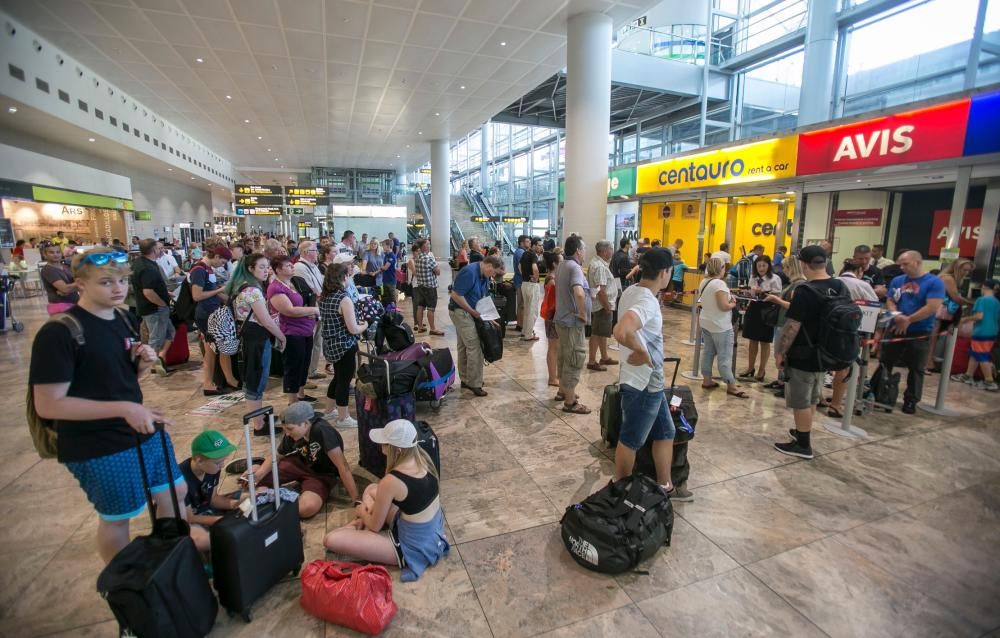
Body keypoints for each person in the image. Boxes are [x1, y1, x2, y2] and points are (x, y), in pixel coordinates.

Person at [29, 247, 186, 563]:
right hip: (95, 441)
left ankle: (175, 567)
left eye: (121, 281)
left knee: (174, 492)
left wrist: (141, 365)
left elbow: (118, 383)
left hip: (139, 428)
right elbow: (49, 405)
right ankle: (125, 585)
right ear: (80, 284)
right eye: (105, 282)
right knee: (119, 515)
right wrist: (125, 409)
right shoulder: (61, 331)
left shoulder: (123, 318)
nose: (117, 289)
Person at [324, 419, 448, 582]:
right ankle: (362, 523)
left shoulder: (392, 480)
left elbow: (375, 527)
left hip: (413, 546)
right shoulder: (423, 458)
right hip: (428, 528)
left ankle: (359, 523)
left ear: (395, 450)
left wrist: (362, 511)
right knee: (371, 489)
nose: (381, 447)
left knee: (331, 539)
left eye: (384, 443)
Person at [612, 248, 687, 499]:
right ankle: (619, 491)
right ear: (665, 273)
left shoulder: (632, 291)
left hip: (646, 381)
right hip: (642, 383)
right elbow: (622, 330)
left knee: (666, 433)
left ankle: (665, 485)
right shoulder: (647, 301)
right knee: (631, 439)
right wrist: (642, 352)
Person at [772, 245, 849, 459]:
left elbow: (792, 326)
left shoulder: (806, 290)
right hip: (826, 352)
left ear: (804, 264)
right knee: (813, 397)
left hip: (803, 353)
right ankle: (802, 432)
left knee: (800, 400)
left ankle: (803, 445)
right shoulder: (839, 286)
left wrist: (780, 352)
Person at [250, 402, 359, 519]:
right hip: (299, 463)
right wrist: (259, 475)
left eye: (290, 429)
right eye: (285, 429)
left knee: (307, 507)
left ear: (306, 423)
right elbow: (276, 456)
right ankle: (257, 467)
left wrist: (356, 500)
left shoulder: (323, 431)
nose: (286, 433)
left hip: (321, 474)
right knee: (255, 478)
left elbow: (343, 467)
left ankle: (274, 508)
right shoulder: (293, 434)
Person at [226, 253, 287, 434]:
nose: (266, 270)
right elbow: (265, 320)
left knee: (254, 378)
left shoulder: (241, 286)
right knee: (256, 380)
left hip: (250, 337)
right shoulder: (252, 291)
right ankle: (258, 425)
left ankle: (258, 416)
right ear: (250, 268)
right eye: (261, 267)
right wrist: (281, 337)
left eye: (267, 267)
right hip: (256, 339)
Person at [880, 251, 945, 413]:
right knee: (885, 361)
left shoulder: (934, 282)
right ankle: (880, 390)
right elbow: (890, 299)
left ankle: (911, 400)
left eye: (905, 264)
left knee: (916, 367)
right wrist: (897, 315)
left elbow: (932, 307)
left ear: (917, 262)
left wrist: (909, 320)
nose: (902, 267)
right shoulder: (898, 280)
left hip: (919, 330)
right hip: (895, 327)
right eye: (900, 264)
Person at [826, 259, 878, 418]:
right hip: (849, 332)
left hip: (826, 329)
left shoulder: (832, 282)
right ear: (860, 271)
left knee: (823, 366)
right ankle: (835, 405)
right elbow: (875, 307)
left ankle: (818, 398)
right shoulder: (863, 285)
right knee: (844, 368)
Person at [320, 262, 369, 427]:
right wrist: (365, 325)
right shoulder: (343, 298)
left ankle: (328, 411)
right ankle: (343, 417)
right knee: (344, 381)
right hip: (344, 345)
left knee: (337, 377)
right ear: (344, 277)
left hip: (331, 343)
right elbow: (353, 328)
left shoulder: (325, 296)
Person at [267, 255, 321, 405]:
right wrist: (314, 310)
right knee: (294, 365)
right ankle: (293, 400)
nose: (292, 267)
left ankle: (301, 394)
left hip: (306, 330)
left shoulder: (294, 282)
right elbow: (288, 310)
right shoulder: (276, 288)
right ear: (278, 269)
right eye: (288, 266)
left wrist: (310, 311)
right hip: (292, 332)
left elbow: (308, 298)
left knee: (304, 363)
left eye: (291, 265)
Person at [449, 255, 503, 397]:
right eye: (494, 272)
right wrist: (473, 312)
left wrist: (488, 316)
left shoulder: (483, 275)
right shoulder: (470, 272)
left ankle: (466, 379)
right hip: (461, 312)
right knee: (474, 346)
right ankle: (475, 383)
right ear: (489, 266)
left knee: (463, 346)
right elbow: (456, 295)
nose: (493, 275)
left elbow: (482, 297)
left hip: (471, 312)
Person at [190, 245, 239, 396]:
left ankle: (213, 382)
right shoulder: (199, 269)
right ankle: (220, 381)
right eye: (223, 261)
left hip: (213, 313)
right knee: (217, 348)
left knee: (212, 350)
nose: (223, 265)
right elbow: (197, 295)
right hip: (206, 315)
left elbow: (213, 293)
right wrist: (219, 290)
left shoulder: (207, 269)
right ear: (216, 256)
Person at [181, 430, 239, 552]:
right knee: (215, 540)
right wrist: (217, 520)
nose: (222, 466)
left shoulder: (212, 469)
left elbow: (213, 498)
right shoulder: (180, 480)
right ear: (199, 460)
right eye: (218, 463)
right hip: (186, 521)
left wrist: (233, 504)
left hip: (205, 509)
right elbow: (188, 518)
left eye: (223, 461)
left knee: (244, 499)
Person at [697, 257, 747, 399]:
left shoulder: (704, 281)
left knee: (708, 352)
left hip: (706, 321)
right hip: (720, 325)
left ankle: (707, 380)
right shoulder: (719, 283)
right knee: (725, 356)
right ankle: (731, 385)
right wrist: (733, 303)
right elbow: (724, 306)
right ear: (721, 268)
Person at [554, 236, 592, 414]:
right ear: (578, 251)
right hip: (571, 322)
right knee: (574, 358)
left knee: (563, 355)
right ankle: (570, 402)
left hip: (561, 319)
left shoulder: (562, 264)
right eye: (583, 249)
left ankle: (563, 390)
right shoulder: (575, 267)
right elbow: (578, 292)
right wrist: (583, 313)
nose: (584, 253)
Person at [763, 256, 807, 397]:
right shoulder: (792, 284)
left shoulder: (799, 285)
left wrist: (776, 299)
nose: (784, 271)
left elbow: (795, 307)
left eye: (786, 267)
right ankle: (781, 380)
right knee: (779, 353)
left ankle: (786, 384)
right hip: (782, 322)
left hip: (787, 323)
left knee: (783, 354)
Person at [132, 239, 174, 376]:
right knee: (156, 338)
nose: (162, 250)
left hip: (153, 307)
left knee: (170, 332)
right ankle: (152, 364)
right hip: (154, 309)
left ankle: (159, 358)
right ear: (153, 250)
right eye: (159, 248)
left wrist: (165, 294)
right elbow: (148, 292)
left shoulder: (141, 263)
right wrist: (161, 303)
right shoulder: (147, 268)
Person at [738, 255, 782, 383]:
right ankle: (750, 367)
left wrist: (763, 291)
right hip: (754, 308)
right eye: (759, 266)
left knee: (764, 341)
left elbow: (778, 295)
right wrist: (749, 292)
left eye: (764, 265)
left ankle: (761, 369)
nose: (761, 268)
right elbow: (750, 293)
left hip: (767, 310)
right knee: (752, 340)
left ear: (768, 266)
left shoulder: (775, 278)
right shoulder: (753, 277)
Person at [926, 257, 973, 373]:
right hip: (940, 311)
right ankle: (927, 363)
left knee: (934, 338)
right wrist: (971, 303)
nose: (966, 273)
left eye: (968, 271)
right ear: (957, 268)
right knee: (932, 338)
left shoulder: (950, 278)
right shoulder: (948, 278)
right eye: (964, 270)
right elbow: (956, 297)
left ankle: (929, 362)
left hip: (943, 311)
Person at [951, 280, 1000, 391]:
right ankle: (968, 375)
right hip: (992, 331)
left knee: (982, 356)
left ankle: (989, 381)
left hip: (981, 331)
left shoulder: (981, 300)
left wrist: (964, 319)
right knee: (975, 354)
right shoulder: (997, 302)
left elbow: (979, 316)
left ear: (984, 287)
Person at [293, 240, 326, 384]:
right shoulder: (300, 267)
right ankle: (304, 376)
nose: (317, 253)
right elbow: (311, 289)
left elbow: (321, 284)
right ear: (306, 252)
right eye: (314, 250)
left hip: (319, 307)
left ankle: (312, 370)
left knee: (317, 340)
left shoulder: (313, 266)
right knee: (310, 342)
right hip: (310, 309)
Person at [586, 240, 618, 371]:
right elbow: (601, 290)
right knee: (596, 333)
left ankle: (604, 357)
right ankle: (592, 361)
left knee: (602, 333)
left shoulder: (598, 263)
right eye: (611, 249)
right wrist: (607, 307)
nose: (612, 251)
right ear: (605, 251)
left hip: (601, 305)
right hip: (601, 306)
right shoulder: (599, 266)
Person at [411, 239, 444, 336]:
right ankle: (433, 329)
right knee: (431, 308)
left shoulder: (417, 259)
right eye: (428, 244)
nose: (429, 246)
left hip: (421, 286)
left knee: (420, 306)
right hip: (430, 287)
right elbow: (438, 272)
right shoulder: (429, 259)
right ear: (423, 247)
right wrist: (434, 269)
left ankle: (420, 326)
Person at [39, 240, 80, 315]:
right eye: (51, 252)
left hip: (74, 303)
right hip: (60, 306)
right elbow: (65, 289)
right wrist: (81, 283)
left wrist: (72, 287)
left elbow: (77, 283)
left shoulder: (65, 267)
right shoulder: (48, 270)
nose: (55, 255)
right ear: (44, 255)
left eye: (58, 252)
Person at [541, 251, 563, 388]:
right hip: (552, 316)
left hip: (553, 315)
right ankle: (552, 377)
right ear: (555, 263)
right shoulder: (552, 279)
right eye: (561, 261)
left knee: (556, 347)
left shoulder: (554, 277)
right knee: (553, 347)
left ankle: (554, 376)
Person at [519, 237, 543, 341]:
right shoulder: (533, 255)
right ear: (533, 245)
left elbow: (519, 266)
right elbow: (535, 268)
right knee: (532, 311)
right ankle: (529, 334)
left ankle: (525, 331)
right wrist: (536, 278)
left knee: (527, 310)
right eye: (539, 245)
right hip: (532, 285)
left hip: (524, 284)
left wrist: (524, 275)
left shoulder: (525, 253)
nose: (541, 247)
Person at [512, 235, 530, 332]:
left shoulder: (522, 252)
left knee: (522, 304)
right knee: (522, 304)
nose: (529, 243)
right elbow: (522, 268)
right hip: (521, 281)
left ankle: (520, 324)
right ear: (522, 243)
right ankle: (520, 325)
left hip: (520, 281)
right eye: (527, 241)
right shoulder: (520, 253)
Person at [381, 238, 398, 303]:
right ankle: (388, 310)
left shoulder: (391, 256)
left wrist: (380, 267)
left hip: (391, 280)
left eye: (383, 245)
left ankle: (394, 311)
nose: (382, 247)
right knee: (386, 296)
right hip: (386, 279)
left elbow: (385, 268)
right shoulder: (386, 255)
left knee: (392, 296)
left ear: (388, 246)